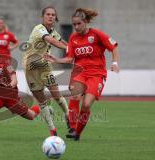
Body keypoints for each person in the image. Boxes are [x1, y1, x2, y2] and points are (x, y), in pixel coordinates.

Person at [44, 8, 120, 140]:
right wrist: (56, 60)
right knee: (75, 96)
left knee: (86, 104)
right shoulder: (73, 38)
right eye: (74, 24)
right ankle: (72, 127)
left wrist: (114, 63)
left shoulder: (96, 34)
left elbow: (114, 46)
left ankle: (77, 133)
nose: (76, 27)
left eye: (79, 24)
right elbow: (69, 58)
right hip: (79, 73)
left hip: (97, 74)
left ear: (85, 22)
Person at [23, 6, 69, 136]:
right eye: (48, 14)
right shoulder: (39, 29)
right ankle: (53, 130)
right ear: (43, 17)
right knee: (42, 102)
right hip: (31, 68)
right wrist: (69, 48)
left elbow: (60, 40)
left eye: (53, 15)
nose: (50, 16)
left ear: (55, 18)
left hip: (45, 66)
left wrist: (71, 48)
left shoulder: (54, 31)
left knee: (56, 94)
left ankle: (68, 116)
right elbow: (51, 40)